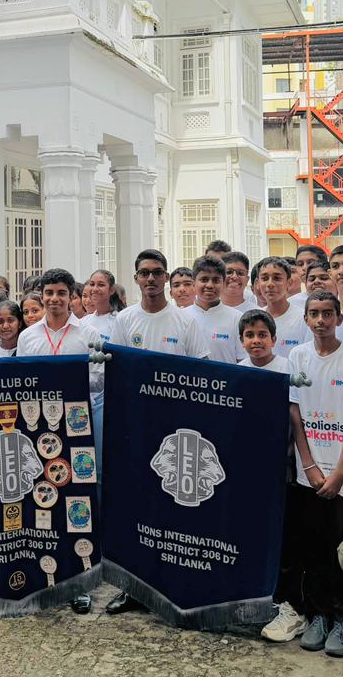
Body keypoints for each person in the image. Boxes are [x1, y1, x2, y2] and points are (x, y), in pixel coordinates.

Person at [107, 250, 211, 615]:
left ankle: (172, 583)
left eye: (157, 272)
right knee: (136, 507)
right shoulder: (125, 320)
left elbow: (201, 373)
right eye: (144, 273)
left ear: (166, 277)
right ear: (136, 278)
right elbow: (117, 372)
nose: (150, 279)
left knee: (174, 507)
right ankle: (133, 587)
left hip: (177, 431)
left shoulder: (186, 321)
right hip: (137, 427)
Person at [281, 290, 343, 658]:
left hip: (341, 475)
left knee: (341, 550)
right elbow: (295, 415)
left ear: (339, 318)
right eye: (313, 314)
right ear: (306, 318)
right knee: (312, 547)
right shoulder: (298, 357)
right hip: (309, 474)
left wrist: (340, 471)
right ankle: (317, 615)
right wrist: (309, 465)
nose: (320, 320)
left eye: (327, 314)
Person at [16, 269, 100, 356]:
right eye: (49, 293)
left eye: (61, 293)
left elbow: (96, 365)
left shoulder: (90, 334)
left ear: (70, 298)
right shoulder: (26, 337)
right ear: (41, 297)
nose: (54, 299)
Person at [253, 257, 311, 369]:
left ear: (289, 283)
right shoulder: (253, 318)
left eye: (277, 278)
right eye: (265, 278)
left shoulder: (303, 320)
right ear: (257, 283)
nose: (270, 284)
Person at [188, 256, 244, 364]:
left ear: (224, 283)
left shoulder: (237, 318)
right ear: (193, 283)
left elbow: (243, 362)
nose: (209, 285)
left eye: (216, 280)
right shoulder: (182, 317)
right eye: (204, 279)